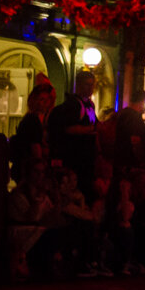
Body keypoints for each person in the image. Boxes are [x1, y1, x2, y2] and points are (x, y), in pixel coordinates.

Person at [48, 69, 101, 198]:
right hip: (77, 156)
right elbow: (68, 128)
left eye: (92, 84)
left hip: (88, 156)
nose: (90, 88)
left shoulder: (89, 104)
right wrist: (90, 129)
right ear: (78, 85)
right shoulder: (73, 104)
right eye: (87, 84)